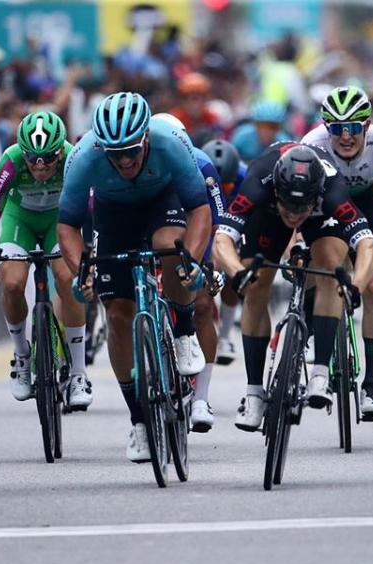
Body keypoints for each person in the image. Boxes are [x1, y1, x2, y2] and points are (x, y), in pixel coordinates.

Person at [57, 92, 211, 462]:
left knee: (170, 247)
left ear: (146, 138)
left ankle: (184, 330)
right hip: (113, 214)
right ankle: (139, 420)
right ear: (102, 148)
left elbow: (200, 209)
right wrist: (82, 271)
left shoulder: (170, 142)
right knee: (117, 314)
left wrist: (190, 261)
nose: (125, 160)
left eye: (131, 151)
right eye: (116, 154)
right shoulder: (84, 156)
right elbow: (67, 225)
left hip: (163, 201)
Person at [213, 143, 373, 431]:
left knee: (329, 270)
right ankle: (254, 394)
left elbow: (367, 244)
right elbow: (222, 240)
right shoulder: (258, 184)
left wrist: (357, 285)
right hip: (268, 215)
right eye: (289, 206)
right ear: (277, 192)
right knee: (255, 285)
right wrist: (237, 272)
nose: (293, 215)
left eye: (301, 208)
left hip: (321, 216)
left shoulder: (333, 192)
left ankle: (320, 374)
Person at [301, 86, 373, 419]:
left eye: (353, 127)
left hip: (366, 201)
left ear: (367, 126)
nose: (346, 136)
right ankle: (313, 333)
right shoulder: (312, 144)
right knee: (320, 265)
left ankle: (371, 386)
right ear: (326, 128)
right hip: (325, 203)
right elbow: (297, 205)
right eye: (337, 128)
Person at [0, 111, 92, 409]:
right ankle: (21, 355)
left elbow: (91, 207)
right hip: (20, 220)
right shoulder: (11, 160)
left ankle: (79, 374)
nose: (40, 167)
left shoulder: (73, 158)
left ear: (60, 152)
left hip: (59, 220)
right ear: (23, 153)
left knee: (68, 279)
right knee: (13, 283)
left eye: (48, 160)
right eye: (32, 160)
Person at [152, 112, 229, 432]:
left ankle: (201, 398)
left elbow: (218, 224)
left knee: (202, 304)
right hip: (157, 226)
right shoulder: (145, 163)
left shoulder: (201, 164)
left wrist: (213, 267)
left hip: (196, 230)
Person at [201, 139, 248, 366]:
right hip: (206, 223)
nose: (222, 191)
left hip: (236, 225)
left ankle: (226, 336)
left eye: (227, 187)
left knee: (231, 275)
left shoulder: (246, 177)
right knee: (205, 273)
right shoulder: (197, 175)